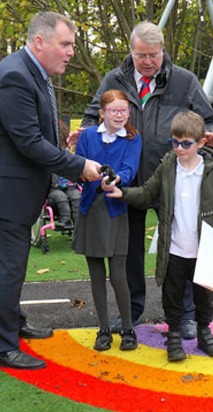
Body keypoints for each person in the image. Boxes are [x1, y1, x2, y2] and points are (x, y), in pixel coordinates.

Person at [0, 11, 103, 370]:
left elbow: (35, 132)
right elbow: (29, 143)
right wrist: (78, 165)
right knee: (8, 268)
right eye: (65, 44)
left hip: (5, 188)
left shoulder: (32, 72)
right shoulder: (15, 78)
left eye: (71, 45)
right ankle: (1, 348)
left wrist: (64, 143)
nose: (70, 52)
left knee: (12, 265)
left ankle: (13, 324)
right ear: (40, 42)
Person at [78, 21, 213, 339]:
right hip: (125, 183)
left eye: (154, 55)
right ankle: (132, 311)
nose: (148, 62)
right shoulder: (114, 79)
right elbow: (91, 116)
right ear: (131, 51)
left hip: (172, 180)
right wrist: (85, 137)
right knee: (128, 253)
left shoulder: (184, 81)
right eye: (142, 55)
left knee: (181, 250)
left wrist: (203, 154)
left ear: (162, 50)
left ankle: (184, 315)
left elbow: (208, 120)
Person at [103, 111, 213, 362]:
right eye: (175, 142)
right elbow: (146, 193)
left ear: (201, 143)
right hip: (174, 249)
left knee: (203, 298)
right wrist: (123, 193)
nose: (179, 148)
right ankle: (173, 337)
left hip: (203, 249)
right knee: (171, 297)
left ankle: (204, 333)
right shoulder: (167, 168)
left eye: (186, 143)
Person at [72, 89, 142, 351]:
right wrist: (92, 178)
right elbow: (79, 167)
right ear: (102, 113)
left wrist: (114, 180)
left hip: (116, 211)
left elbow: (129, 170)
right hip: (90, 209)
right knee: (96, 275)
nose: (120, 115)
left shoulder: (133, 138)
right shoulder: (88, 135)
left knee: (118, 276)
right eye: (114, 110)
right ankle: (103, 330)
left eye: (124, 110)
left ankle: (127, 329)